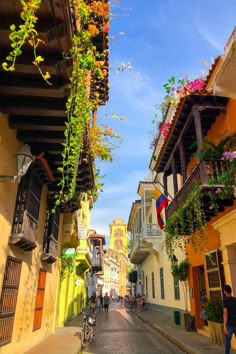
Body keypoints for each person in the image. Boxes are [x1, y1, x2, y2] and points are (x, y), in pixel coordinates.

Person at [223, 284, 236, 354]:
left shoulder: (225, 301)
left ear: (225, 292)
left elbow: (225, 313)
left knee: (228, 343)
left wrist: (224, 325)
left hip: (229, 325)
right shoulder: (235, 300)